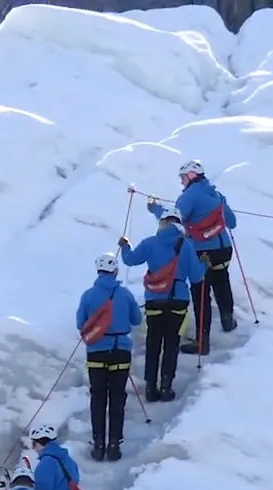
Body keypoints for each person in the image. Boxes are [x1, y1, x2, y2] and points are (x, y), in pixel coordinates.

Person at [119, 203, 203, 402]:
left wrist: (124, 246)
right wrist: (204, 265)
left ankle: (150, 387)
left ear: (163, 223)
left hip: (154, 301)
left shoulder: (150, 243)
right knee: (171, 344)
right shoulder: (187, 246)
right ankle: (166, 386)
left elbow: (130, 260)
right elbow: (197, 276)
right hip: (178, 301)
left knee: (153, 344)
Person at [75, 253, 142, 461]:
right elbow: (137, 320)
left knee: (98, 397)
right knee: (117, 397)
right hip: (121, 350)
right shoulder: (125, 294)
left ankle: (98, 443)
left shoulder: (88, 296)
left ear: (98, 271)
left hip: (96, 351)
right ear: (115, 271)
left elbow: (80, 323)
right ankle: (114, 444)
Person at [168, 160, 240, 355]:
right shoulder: (216, 194)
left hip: (201, 251)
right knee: (222, 281)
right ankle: (227, 319)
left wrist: (156, 210)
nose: (181, 182)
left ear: (191, 176)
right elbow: (231, 222)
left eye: (183, 178)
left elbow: (175, 223)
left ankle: (203, 341)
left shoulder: (187, 197)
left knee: (201, 295)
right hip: (223, 248)